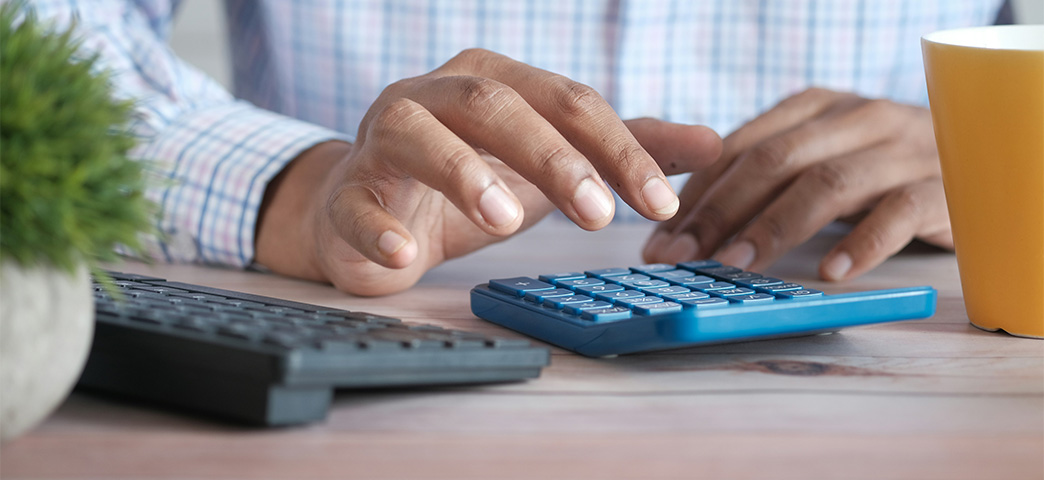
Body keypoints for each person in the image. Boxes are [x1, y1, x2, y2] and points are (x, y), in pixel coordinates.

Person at [23, 0, 1007, 296]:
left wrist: (1008, 148)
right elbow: (30, 37)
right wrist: (291, 190)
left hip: (893, 368)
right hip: (367, 361)